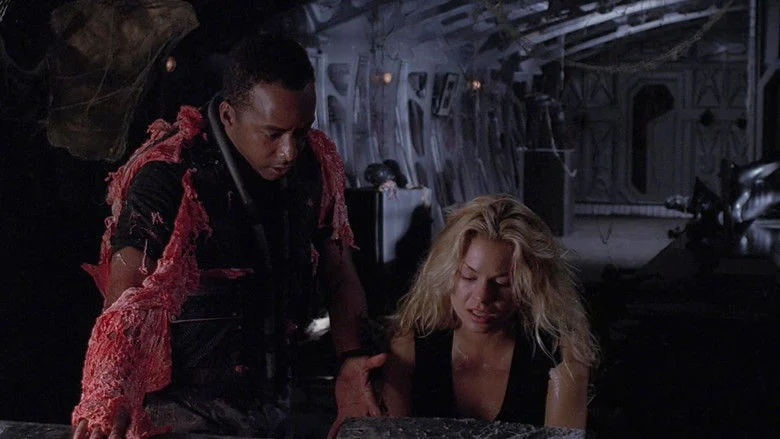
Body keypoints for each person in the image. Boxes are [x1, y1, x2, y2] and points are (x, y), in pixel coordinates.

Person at [71, 32, 385, 439]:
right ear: (228, 115)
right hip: (178, 415)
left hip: (273, 405)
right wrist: (109, 392)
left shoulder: (314, 165)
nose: (289, 151)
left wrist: (353, 359)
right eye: (272, 134)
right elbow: (128, 289)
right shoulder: (169, 172)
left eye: (301, 131)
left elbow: (339, 273)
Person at [380, 194, 599, 429]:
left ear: (531, 286)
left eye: (503, 283)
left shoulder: (561, 356)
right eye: (469, 277)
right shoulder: (409, 347)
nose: (482, 298)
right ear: (446, 273)